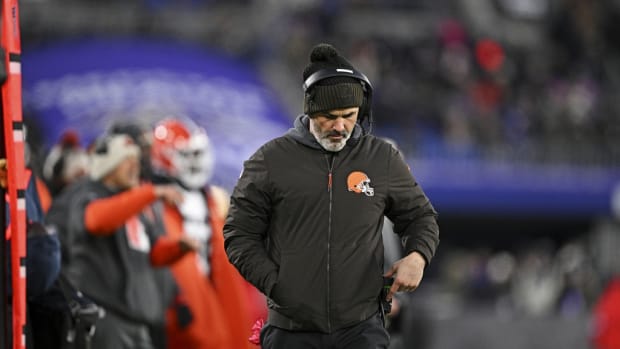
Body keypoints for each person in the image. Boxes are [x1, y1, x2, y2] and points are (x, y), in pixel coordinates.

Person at [223, 43, 440, 349]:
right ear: (310, 109)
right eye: (329, 116)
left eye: (349, 115)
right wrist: (277, 284)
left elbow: (421, 217)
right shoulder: (269, 160)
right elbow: (238, 234)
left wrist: (417, 257)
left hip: (361, 328)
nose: (340, 126)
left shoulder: (381, 158)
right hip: (292, 329)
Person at [47, 133, 200, 349]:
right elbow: (95, 220)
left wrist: (179, 247)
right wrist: (150, 193)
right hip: (104, 317)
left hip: (137, 321)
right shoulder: (86, 191)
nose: (135, 165)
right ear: (109, 164)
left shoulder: (133, 201)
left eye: (136, 160)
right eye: (127, 159)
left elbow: (152, 255)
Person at [149, 117, 261, 349]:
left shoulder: (213, 199)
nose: (195, 162)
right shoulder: (154, 204)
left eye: (197, 155)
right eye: (187, 156)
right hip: (180, 303)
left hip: (220, 296)